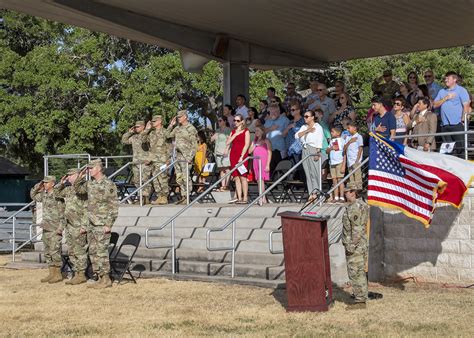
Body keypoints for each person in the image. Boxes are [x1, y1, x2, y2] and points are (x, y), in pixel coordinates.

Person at [74, 159, 118, 288]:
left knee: (101, 252)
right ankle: (99, 276)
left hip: (102, 223)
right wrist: (80, 177)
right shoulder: (90, 184)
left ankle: (106, 279)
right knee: (93, 252)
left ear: (98, 168)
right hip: (91, 223)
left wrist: (108, 225)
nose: (89, 170)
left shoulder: (108, 184)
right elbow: (77, 189)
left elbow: (113, 206)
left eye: (91, 168)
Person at [30, 176, 65, 284]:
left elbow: (63, 213)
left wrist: (61, 227)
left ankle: (58, 274)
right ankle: (51, 273)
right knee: (48, 252)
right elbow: (33, 196)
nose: (44, 184)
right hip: (46, 227)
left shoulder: (57, 195)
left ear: (52, 184)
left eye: (46, 182)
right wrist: (38, 186)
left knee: (55, 251)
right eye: (43, 182)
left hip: (55, 228)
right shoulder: (44, 195)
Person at [56, 168, 88, 285]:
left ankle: (81, 274)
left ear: (78, 175)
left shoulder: (83, 187)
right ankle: (76, 272)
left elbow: (86, 208)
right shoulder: (69, 189)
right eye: (68, 176)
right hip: (69, 224)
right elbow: (56, 193)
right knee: (72, 251)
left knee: (80, 251)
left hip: (79, 224)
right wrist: (61, 183)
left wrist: (84, 225)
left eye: (70, 175)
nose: (68, 177)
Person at [342, 182, 369, 310]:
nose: (344, 194)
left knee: (356, 273)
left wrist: (351, 246)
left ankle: (360, 301)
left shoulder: (355, 207)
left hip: (356, 246)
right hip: (359, 245)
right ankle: (360, 297)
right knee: (358, 272)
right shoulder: (360, 204)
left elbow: (357, 229)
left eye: (346, 192)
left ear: (353, 192)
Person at [433, 71, 471, 154]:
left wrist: (463, 120)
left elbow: (466, 106)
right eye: (445, 78)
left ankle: (461, 166)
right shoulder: (442, 91)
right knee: (447, 150)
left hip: (458, 124)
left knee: (461, 149)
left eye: (448, 78)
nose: (445, 80)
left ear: (455, 79)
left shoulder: (461, 90)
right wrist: (446, 98)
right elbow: (435, 105)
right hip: (445, 125)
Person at [166, 110, 198, 204]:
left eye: (180, 117)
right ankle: (183, 195)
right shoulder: (177, 128)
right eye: (178, 117)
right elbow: (167, 135)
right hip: (178, 156)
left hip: (186, 156)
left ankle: (186, 195)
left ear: (185, 117)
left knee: (185, 176)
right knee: (179, 177)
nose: (178, 119)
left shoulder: (190, 128)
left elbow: (194, 145)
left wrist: (190, 157)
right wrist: (171, 125)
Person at [295, 110, 324, 201]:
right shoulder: (304, 127)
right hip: (305, 149)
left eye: (307, 116)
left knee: (315, 171)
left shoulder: (318, 127)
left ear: (312, 117)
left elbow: (319, 139)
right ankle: (311, 192)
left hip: (313, 148)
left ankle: (317, 192)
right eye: (304, 116)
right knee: (308, 172)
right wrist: (308, 130)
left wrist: (317, 151)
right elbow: (297, 135)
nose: (305, 118)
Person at [121, 120, 152, 204]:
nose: (136, 128)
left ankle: (145, 197)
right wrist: (129, 133)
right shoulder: (134, 137)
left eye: (138, 127)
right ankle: (141, 196)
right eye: (135, 127)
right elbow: (124, 141)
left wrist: (146, 130)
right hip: (136, 162)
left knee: (145, 180)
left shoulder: (147, 135)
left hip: (145, 162)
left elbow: (145, 141)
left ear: (143, 127)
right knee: (137, 180)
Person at [141, 115, 170, 205]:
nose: (152, 123)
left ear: (159, 121)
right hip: (153, 160)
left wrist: (168, 159)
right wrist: (146, 129)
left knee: (162, 178)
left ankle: (164, 197)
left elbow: (169, 145)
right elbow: (143, 140)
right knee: (155, 180)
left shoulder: (165, 132)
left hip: (162, 159)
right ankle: (159, 196)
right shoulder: (152, 133)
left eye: (154, 121)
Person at [225, 114, 250, 204]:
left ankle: (245, 197)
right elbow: (228, 143)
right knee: (236, 177)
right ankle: (239, 197)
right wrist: (235, 135)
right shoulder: (233, 132)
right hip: (233, 155)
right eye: (234, 120)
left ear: (242, 122)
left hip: (242, 155)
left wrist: (242, 156)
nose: (235, 122)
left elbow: (247, 144)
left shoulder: (246, 131)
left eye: (238, 121)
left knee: (243, 176)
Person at [249, 125, 272, 204]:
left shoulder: (266, 140)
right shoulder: (254, 141)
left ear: (262, 131)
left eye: (258, 130)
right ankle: (263, 197)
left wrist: (268, 164)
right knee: (258, 180)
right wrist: (255, 145)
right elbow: (249, 152)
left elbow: (269, 152)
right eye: (256, 131)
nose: (256, 132)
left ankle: (261, 197)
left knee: (261, 179)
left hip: (263, 161)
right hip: (256, 161)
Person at [264, 103, 290, 172]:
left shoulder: (285, 120)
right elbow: (263, 131)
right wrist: (270, 128)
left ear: (278, 112)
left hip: (280, 148)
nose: (273, 114)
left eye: (275, 112)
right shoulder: (268, 120)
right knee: (271, 168)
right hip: (269, 149)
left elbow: (287, 133)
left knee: (281, 169)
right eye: (271, 112)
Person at [284, 102, 305, 179]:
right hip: (290, 149)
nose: (291, 111)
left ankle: (303, 186)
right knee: (292, 169)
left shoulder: (303, 121)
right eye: (290, 110)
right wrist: (289, 127)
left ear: (298, 110)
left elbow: (302, 133)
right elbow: (283, 134)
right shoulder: (290, 121)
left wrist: (294, 128)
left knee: (300, 168)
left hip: (299, 149)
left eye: (293, 110)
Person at [211, 116, 231, 191]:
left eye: (220, 120)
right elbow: (211, 139)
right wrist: (213, 137)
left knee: (227, 168)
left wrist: (227, 150)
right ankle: (223, 186)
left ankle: (227, 185)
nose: (218, 122)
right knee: (222, 170)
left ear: (225, 121)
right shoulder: (217, 130)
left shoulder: (228, 130)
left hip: (225, 152)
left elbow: (230, 141)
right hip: (218, 152)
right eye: (218, 121)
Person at [326, 126, 345, 202]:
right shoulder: (331, 141)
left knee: (340, 180)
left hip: (339, 162)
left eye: (332, 132)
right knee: (334, 180)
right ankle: (336, 197)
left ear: (338, 133)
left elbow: (344, 153)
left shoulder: (342, 141)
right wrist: (331, 148)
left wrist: (344, 164)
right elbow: (327, 151)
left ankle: (342, 197)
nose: (331, 133)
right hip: (332, 162)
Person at [344, 121, 364, 190]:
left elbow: (360, 148)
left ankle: (358, 191)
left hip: (355, 160)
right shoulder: (348, 137)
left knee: (357, 176)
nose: (347, 130)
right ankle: (352, 191)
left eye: (349, 128)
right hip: (349, 161)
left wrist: (357, 159)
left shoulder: (359, 136)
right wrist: (350, 142)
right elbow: (344, 148)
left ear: (354, 128)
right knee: (351, 177)